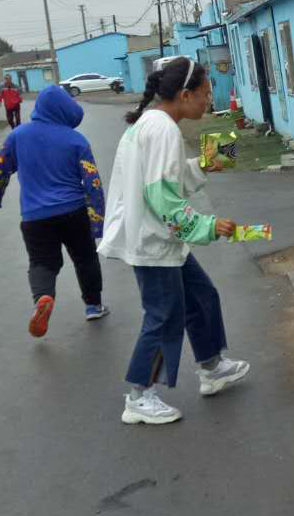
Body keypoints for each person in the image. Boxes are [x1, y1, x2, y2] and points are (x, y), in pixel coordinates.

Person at [98, 56, 249, 426]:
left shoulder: (153, 124)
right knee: (164, 317)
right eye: (206, 93)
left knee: (201, 296)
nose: (209, 101)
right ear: (185, 94)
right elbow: (163, 197)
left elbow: (167, 177)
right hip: (154, 241)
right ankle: (139, 394)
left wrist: (202, 166)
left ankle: (212, 366)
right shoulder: (162, 129)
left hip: (158, 237)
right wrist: (208, 227)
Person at [0, 84, 108, 337]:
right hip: (74, 212)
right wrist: (97, 221)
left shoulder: (18, 136)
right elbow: (92, 182)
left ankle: (43, 298)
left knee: (42, 262)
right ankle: (93, 305)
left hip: (35, 217)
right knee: (85, 257)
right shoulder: (76, 139)